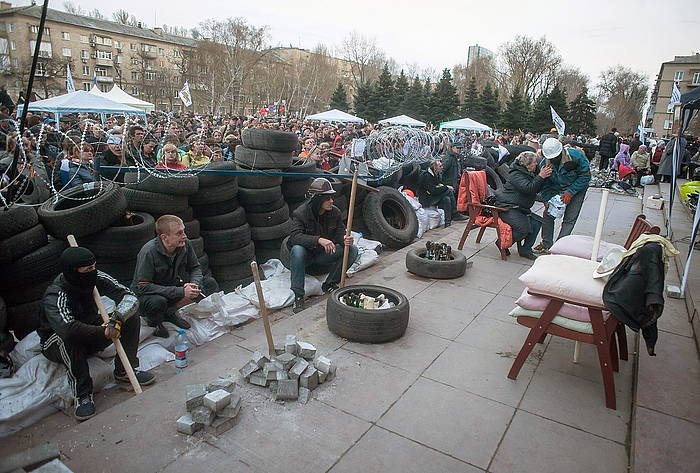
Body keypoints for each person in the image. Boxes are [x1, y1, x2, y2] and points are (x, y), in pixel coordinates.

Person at [39, 247, 155, 421]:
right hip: (58, 339)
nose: (92, 272)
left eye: (94, 267)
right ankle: (83, 395)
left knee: (131, 316)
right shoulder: (56, 295)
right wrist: (104, 331)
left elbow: (129, 296)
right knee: (67, 339)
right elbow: (68, 329)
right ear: (73, 272)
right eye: (87, 270)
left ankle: (124, 370)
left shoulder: (96, 276)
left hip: (92, 330)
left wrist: (116, 320)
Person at [287, 178, 358, 314]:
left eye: (332, 198)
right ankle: (298, 296)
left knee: (352, 250)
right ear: (317, 199)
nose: (331, 201)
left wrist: (344, 239)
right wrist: (319, 240)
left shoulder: (335, 212)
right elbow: (295, 237)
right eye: (327, 198)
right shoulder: (301, 213)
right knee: (297, 250)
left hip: (322, 255)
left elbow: (339, 234)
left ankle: (329, 283)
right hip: (306, 257)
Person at [131, 215, 202, 338]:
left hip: (170, 288)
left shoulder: (185, 244)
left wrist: (193, 284)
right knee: (158, 302)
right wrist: (181, 291)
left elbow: (195, 268)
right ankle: (156, 323)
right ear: (165, 237)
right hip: (148, 295)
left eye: (183, 231)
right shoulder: (148, 252)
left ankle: (170, 313)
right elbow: (143, 286)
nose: (184, 236)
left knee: (203, 287)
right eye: (179, 233)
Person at [534, 138, 591, 253]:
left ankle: (560, 247)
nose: (553, 159)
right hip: (556, 189)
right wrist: (547, 200)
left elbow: (586, 176)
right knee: (548, 214)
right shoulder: (544, 164)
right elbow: (545, 185)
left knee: (570, 218)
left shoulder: (576, 157)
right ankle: (546, 244)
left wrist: (571, 191)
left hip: (577, 189)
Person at [495, 151, 552, 260]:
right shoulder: (516, 174)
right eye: (534, 162)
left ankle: (525, 250)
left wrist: (543, 178)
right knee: (524, 229)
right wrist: (540, 176)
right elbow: (528, 188)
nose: (536, 164)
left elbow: (536, 187)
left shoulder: (527, 173)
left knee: (536, 223)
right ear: (527, 164)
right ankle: (502, 242)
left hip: (520, 208)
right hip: (507, 207)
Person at [417, 159, 466, 227]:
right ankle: (455, 213)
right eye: (440, 166)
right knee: (449, 191)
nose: (442, 167)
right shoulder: (427, 176)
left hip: (432, 196)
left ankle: (448, 222)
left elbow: (438, 185)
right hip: (427, 199)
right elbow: (433, 191)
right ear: (435, 168)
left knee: (447, 199)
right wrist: (446, 187)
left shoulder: (437, 175)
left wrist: (444, 187)